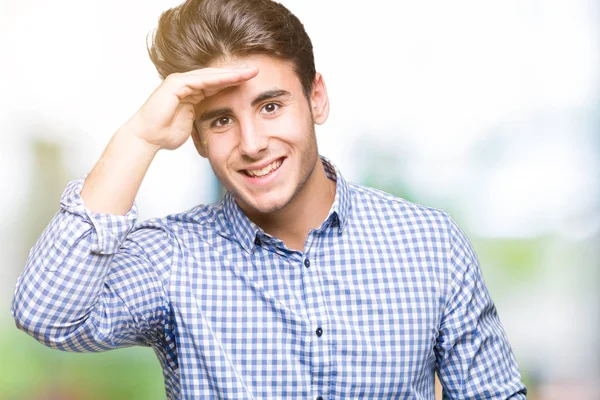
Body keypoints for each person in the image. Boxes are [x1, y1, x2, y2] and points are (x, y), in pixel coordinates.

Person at [11, 0, 528, 398]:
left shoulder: (429, 242)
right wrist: (139, 138)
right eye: (221, 120)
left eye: (271, 105)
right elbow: (48, 314)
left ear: (316, 98)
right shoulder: (172, 258)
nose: (252, 143)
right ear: (196, 137)